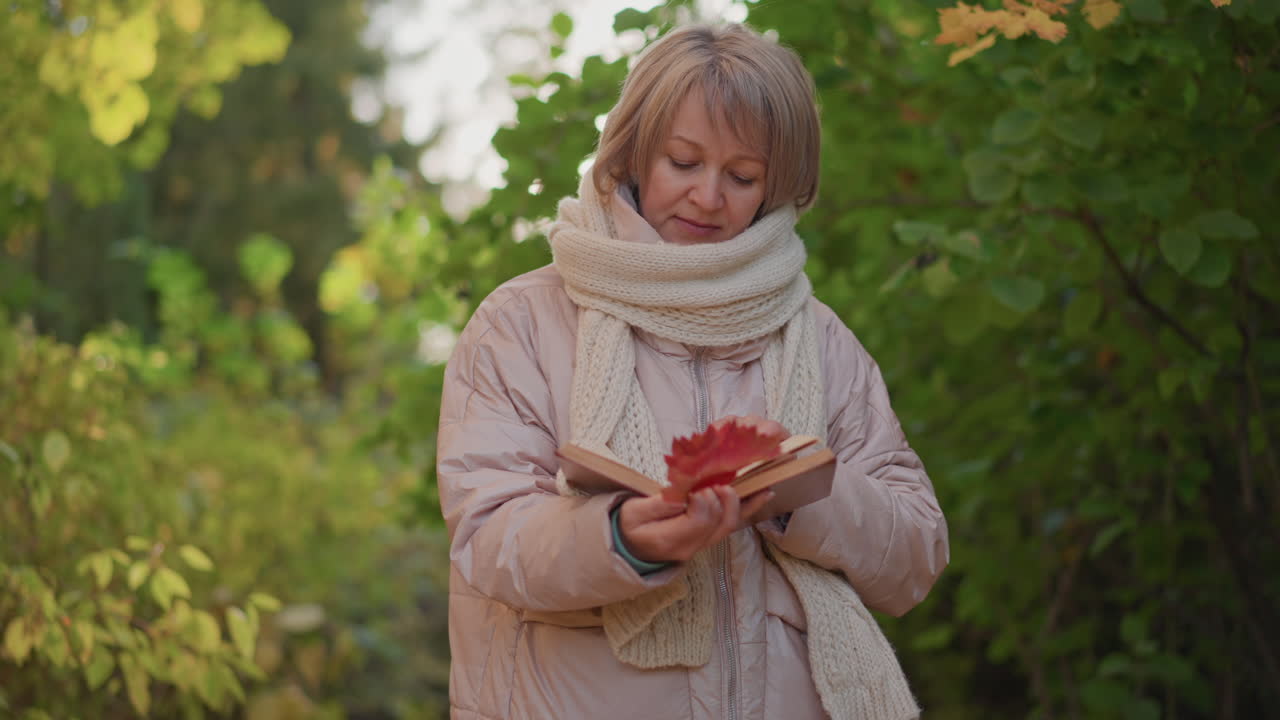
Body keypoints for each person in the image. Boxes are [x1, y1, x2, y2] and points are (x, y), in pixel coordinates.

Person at [436, 22, 948, 720]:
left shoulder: (821, 340)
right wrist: (621, 538)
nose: (709, 196)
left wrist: (799, 493)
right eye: (683, 162)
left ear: (778, 186)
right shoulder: (522, 324)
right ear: (636, 152)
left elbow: (915, 557)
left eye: (742, 177)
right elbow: (488, 538)